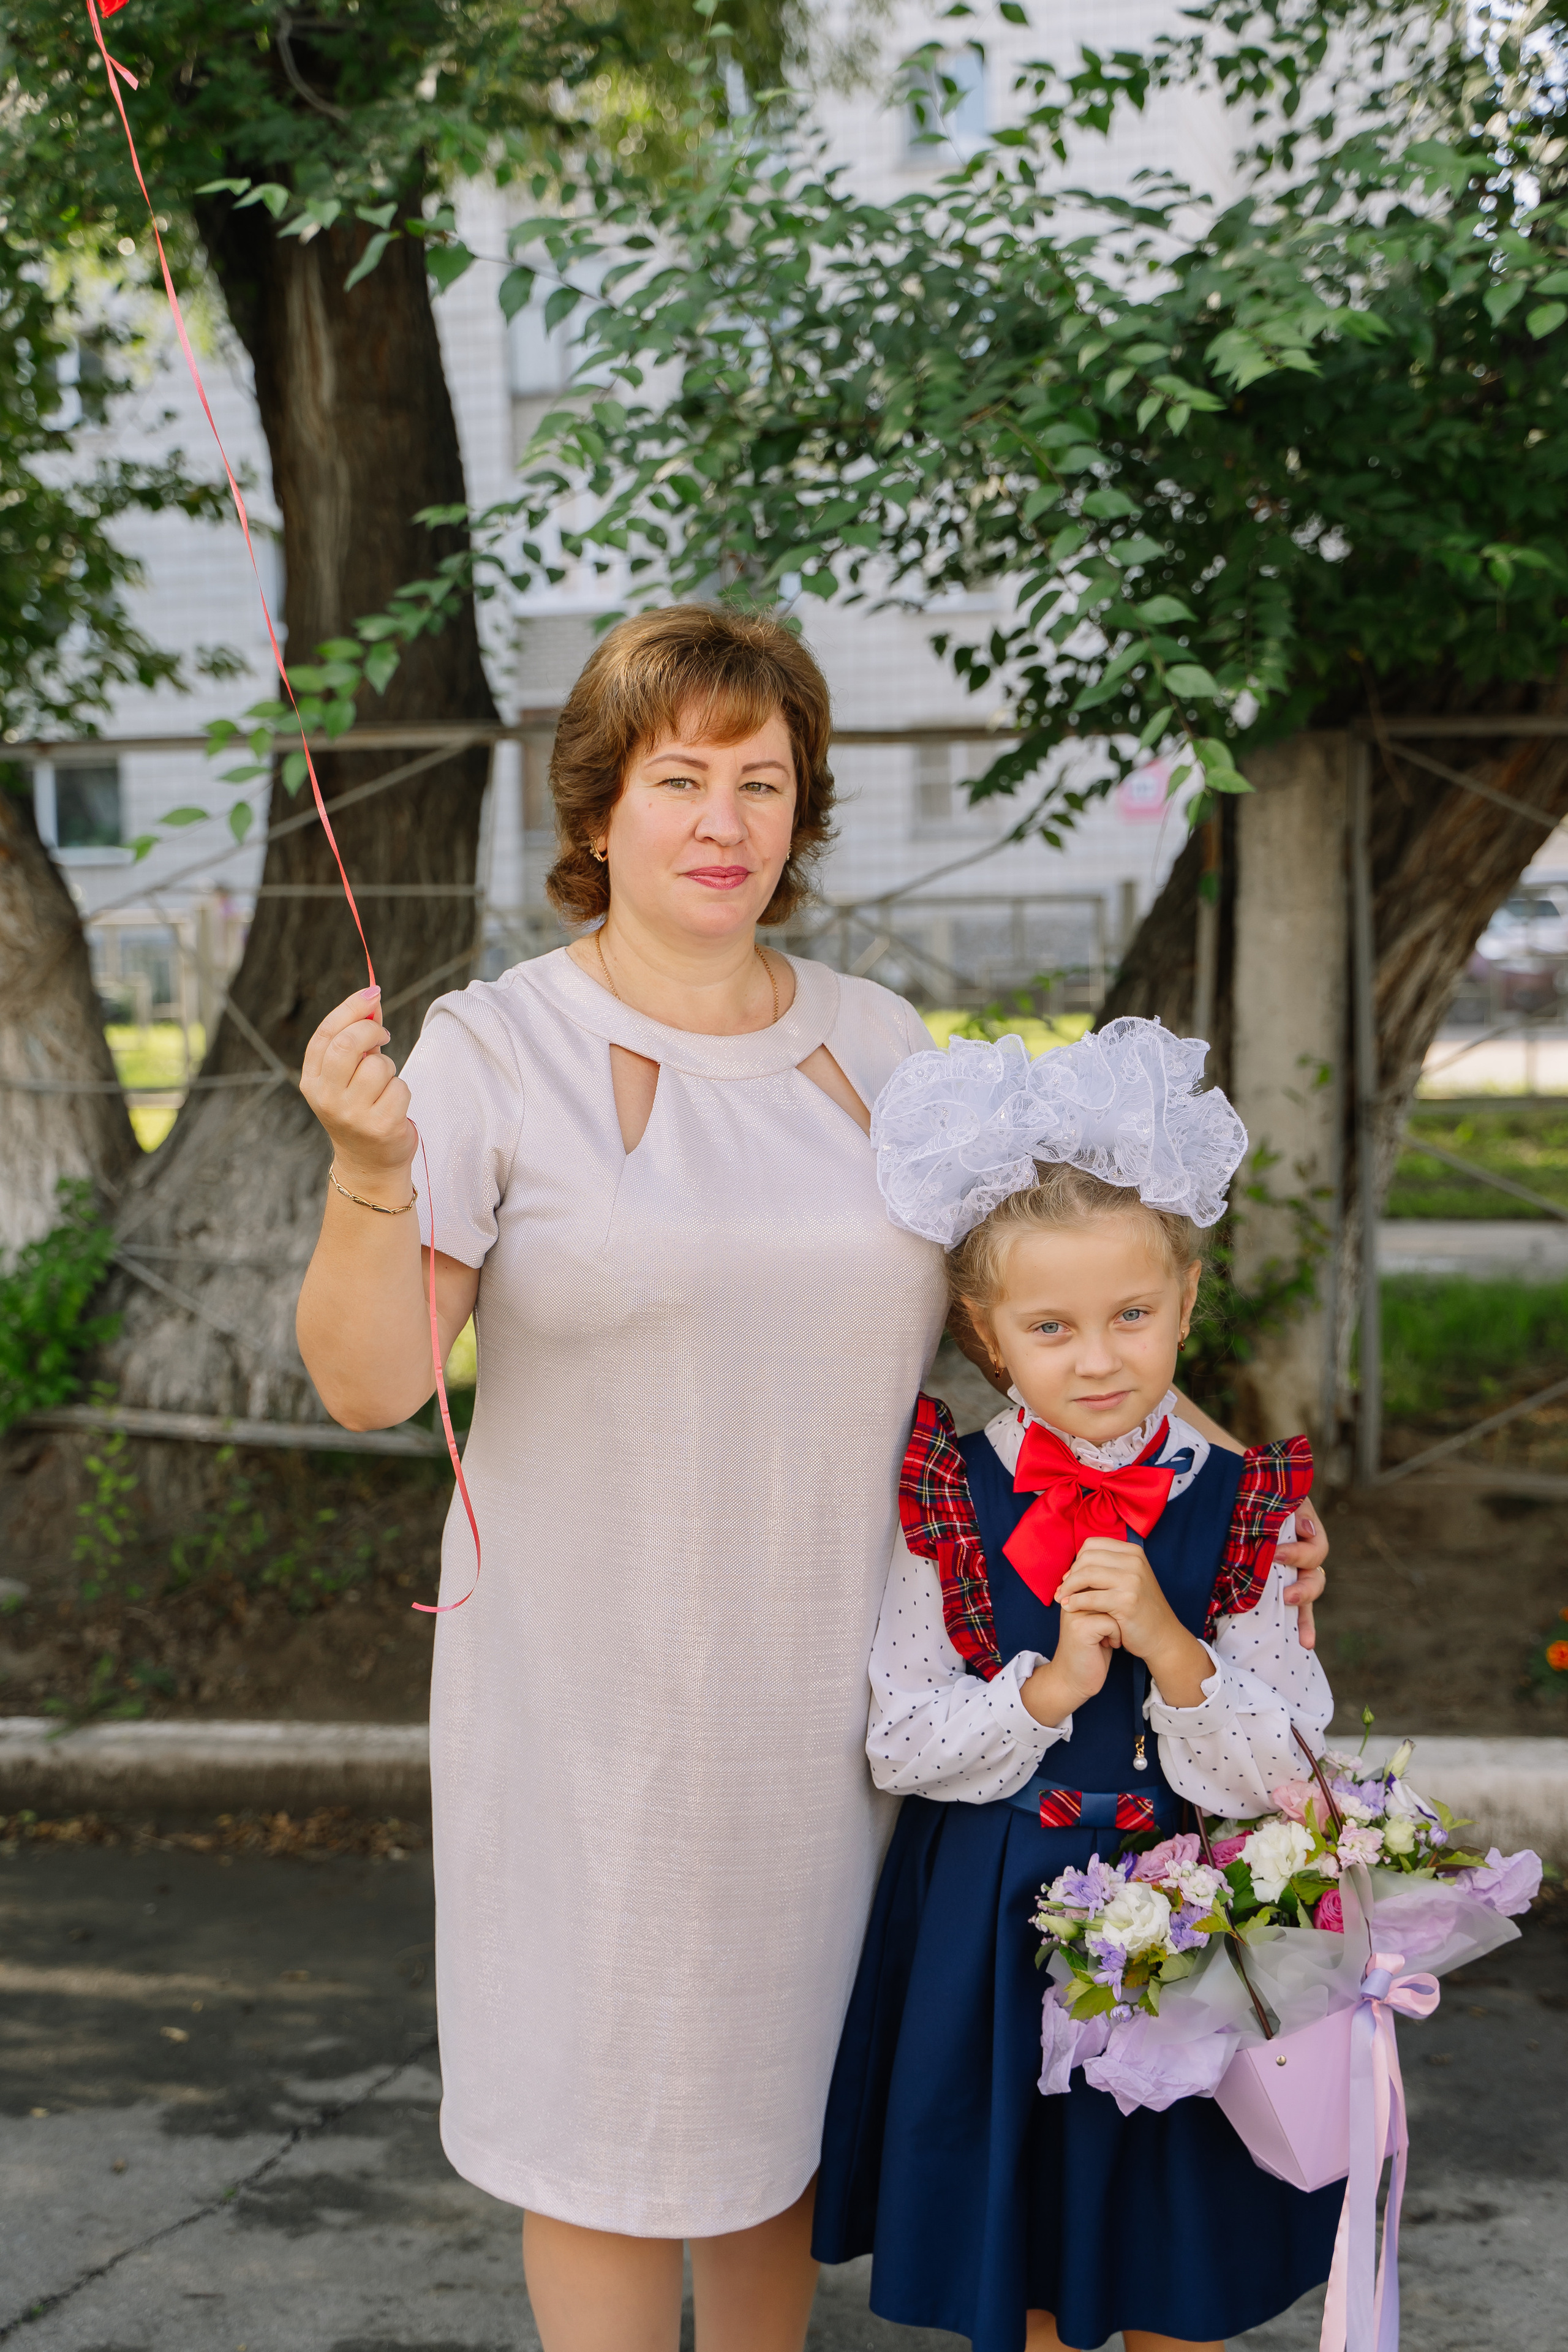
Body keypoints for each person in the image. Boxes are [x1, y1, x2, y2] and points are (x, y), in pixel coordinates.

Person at [292, 605, 1327, 2352]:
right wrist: (369, 1177)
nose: (722, 819)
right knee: (616, 2141)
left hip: (861, 1701)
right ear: (599, 809)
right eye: (678, 777)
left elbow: (1051, 1336)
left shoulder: (889, 1044)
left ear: (802, 806)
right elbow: (369, 1384)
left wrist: (1245, 1500)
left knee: (782, 2124)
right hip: (591, 1715)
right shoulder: (491, 1051)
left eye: (760, 780)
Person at [813, 1019, 1344, 2352]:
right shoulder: (948, 1498)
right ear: (986, 1334)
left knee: (1177, 2261)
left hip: (1191, 1920)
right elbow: (901, 1741)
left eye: (1131, 1316)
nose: (1096, 1358)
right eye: (1049, 1327)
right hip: (992, 1925)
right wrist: (1045, 1687)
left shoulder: (1243, 1510)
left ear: (1184, 1299)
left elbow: (1286, 1774)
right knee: (1031, 2269)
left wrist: (1174, 1650)